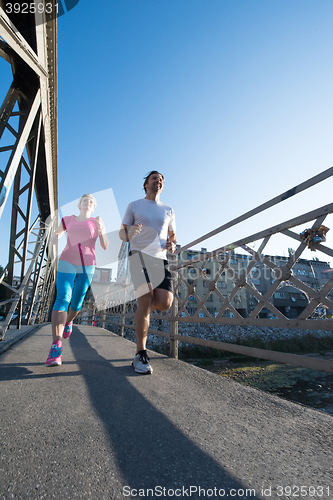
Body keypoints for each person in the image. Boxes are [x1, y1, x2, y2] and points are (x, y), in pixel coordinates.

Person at [119, 171, 177, 374]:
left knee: (164, 303)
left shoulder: (169, 209)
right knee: (145, 300)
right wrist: (129, 233)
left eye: (162, 179)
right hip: (139, 256)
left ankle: (144, 304)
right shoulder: (134, 205)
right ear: (146, 184)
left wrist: (172, 244)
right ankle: (140, 353)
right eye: (154, 178)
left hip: (160, 260)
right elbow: (121, 233)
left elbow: (173, 236)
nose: (158, 180)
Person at [45, 194, 109, 367]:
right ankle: (56, 347)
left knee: (77, 302)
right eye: (85, 200)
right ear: (79, 204)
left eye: (91, 201)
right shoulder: (68, 219)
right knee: (63, 297)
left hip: (87, 265)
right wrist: (56, 236)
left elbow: (105, 245)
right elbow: (58, 232)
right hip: (67, 260)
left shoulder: (96, 222)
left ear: (93, 207)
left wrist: (102, 230)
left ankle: (68, 321)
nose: (88, 202)